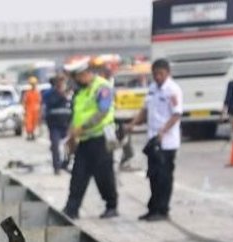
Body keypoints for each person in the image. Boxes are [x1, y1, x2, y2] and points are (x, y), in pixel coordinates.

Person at [62, 59, 119, 220]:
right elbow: (77, 116)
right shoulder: (80, 93)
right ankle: (71, 209)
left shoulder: (102, 87)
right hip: (85, 139)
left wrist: (83, 127)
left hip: (102, 137)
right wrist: (71, 134)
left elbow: (102, 111)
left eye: (77, 77)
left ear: (85, 73)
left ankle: (111, 205)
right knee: (78, 174)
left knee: (104, 175)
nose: (76, 81)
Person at [126, 59, 182, 221]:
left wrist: (163, 131)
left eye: (161, 74)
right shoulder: (152, 89)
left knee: (164, 177)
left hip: (167, 142)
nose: (158, 77)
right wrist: (133, 124)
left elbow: (176, 114)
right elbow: (145, 111)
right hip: (153, 140)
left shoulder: (173, 90)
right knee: (153, 176)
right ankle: (153, 208)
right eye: (155, 74)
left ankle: (162, 210)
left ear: (167, 73)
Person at [43, 75, 73, 173]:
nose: (61, 84)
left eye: (63, 82)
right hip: (54, 125)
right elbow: (49, 103)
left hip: (67, 124)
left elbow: (74, 106)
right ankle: (57, 167)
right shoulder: (49, 93)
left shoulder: (70, 93)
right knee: (55, 145)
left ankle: (66, 163)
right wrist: (61, 95)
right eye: (59, 82)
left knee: (70, 146)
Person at [22, 76, 42, 141]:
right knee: (28, 123)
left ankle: (33, 134)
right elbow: (25, 102)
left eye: (34, 84)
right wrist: (24, 110)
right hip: (29, 110)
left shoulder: (37, 92)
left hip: (36, 110)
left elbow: (39, 101)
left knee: (34, 122)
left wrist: (40, 110)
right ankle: (29, 134)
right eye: (32, 84)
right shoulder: (28, 93)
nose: (34, 85)